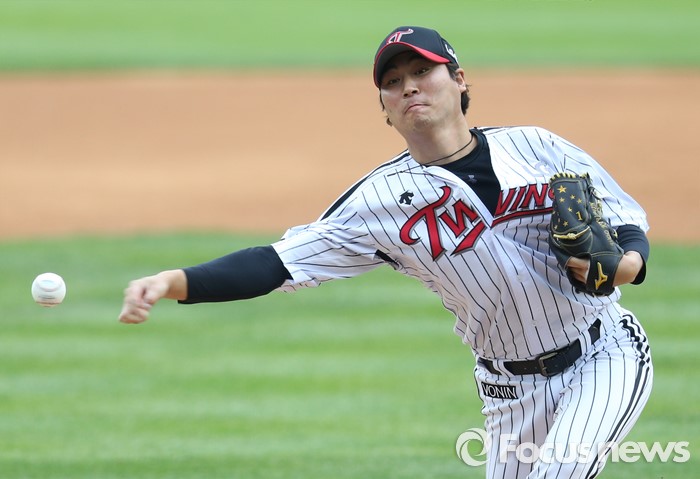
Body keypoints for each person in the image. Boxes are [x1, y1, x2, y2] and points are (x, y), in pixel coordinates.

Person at [119, 26, 653, 478]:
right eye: (393, 83)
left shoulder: (536, 146)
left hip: (603, 353)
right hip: (509, 392)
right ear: (385, 110)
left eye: (422, 72)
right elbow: (277, 262)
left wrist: (628, 263)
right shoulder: (377, 202)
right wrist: (173, 281)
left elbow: (622, 216)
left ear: (459, 80)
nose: (409, 87)